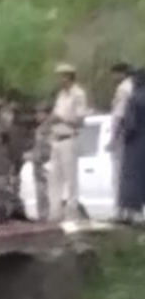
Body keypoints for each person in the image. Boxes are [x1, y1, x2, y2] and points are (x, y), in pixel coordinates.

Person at [48, 63, 89, 222]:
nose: (59, 79)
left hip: (69, 138)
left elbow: (80, 120)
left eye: (62, 76)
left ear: (69, 76)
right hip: (56, 138)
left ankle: (72, 212)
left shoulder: (78, 94)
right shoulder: (61, 95)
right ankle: (55, 212)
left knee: (71, 179)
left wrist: (62, 119)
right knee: (54, 178)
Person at [117, 70, 145, 223]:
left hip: (136, 143)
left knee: (132, 178)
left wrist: (124, 135)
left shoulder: (134, 98)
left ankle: (132, 213)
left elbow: (130, 125)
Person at [109, 61, 135, 221]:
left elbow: (119, 115)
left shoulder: (123, 89)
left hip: (121, 136)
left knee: (118, 175)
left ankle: (120, 211)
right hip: (131, 136)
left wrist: (113, 138)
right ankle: (128, 211)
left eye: (114, 74)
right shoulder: (134, 87)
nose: (113, 77)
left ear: (122, 73)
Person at [31, 102, 53, 221]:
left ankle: (46, 214)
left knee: (45, 190)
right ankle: (42, 214)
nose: (37, 116)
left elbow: (49, 145)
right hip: (38, 162)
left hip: (46, 162)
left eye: (40, 113)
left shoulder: (50, 128)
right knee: (40, 191)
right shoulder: (40, 128)